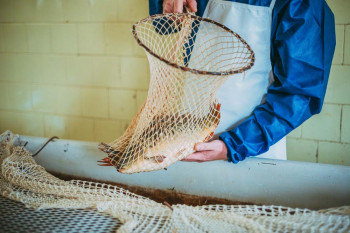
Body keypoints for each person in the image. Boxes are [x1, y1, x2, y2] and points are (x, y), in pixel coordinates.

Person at [149, 0, 336, 163]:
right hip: (188, 143)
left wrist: (234, 145)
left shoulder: (301, 5)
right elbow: (164, 24)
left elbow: (299, 93)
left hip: (253, 152)